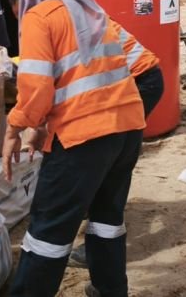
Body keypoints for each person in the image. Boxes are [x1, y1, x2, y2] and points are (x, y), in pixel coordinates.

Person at [3, 0, 145, 297]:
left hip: (83, 139)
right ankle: (112, 290)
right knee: (107, 220)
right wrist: (42, 128)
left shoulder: (41, 17)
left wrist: (14, 128)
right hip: (126, 130)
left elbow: (37, 88)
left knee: (48, 231)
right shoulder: (94, 11)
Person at [68, 21, 164, 269]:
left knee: (109, 167)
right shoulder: (77, 14)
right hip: (136, 80)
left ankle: (99, 250)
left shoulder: (70, 24)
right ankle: (95, 212)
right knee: (109, 162)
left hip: (140, 82)